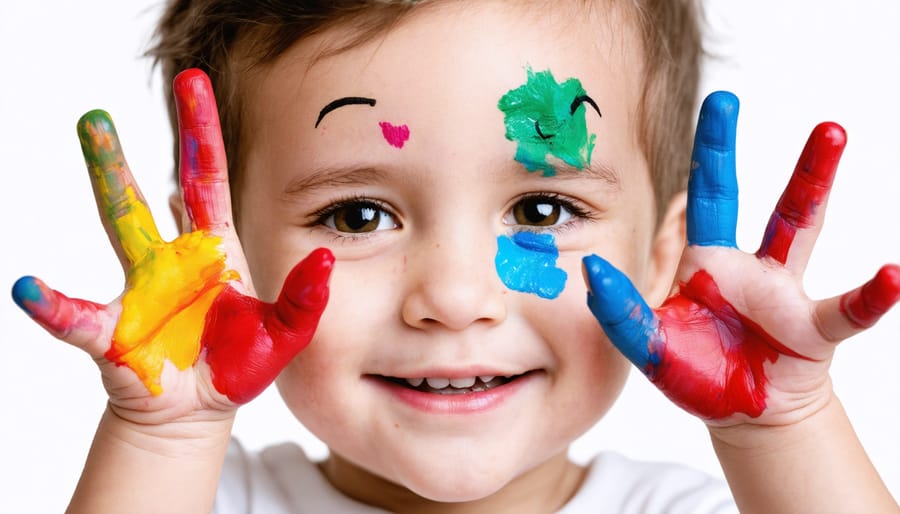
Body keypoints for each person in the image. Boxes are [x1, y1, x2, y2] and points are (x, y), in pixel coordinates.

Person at [9, 0, 899, 512]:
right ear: (219, 260)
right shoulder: (195, 497)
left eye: (543, 207)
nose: (456, 296)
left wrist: (784, 430)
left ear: (665, 259)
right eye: (358, 214)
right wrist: (164, 438)